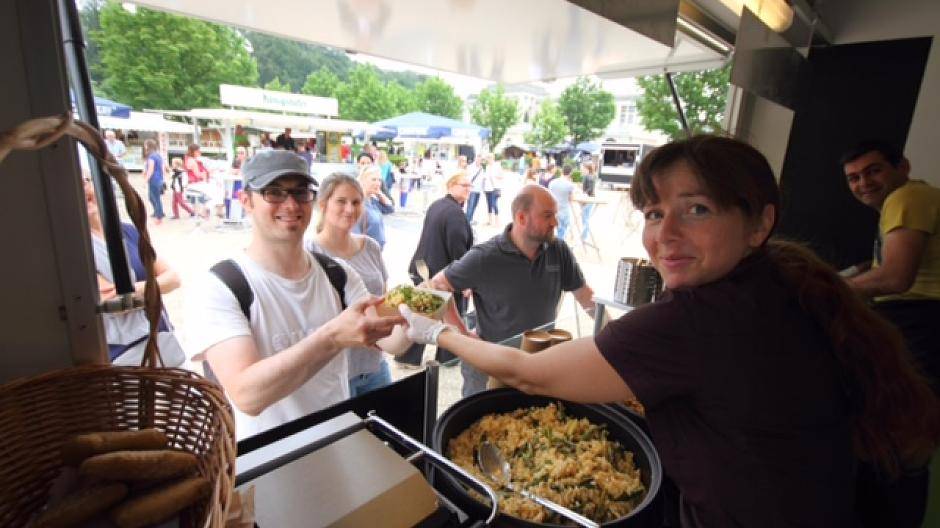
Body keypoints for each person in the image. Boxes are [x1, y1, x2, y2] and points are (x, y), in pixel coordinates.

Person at [401, 135, 940, 527]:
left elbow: (530, 375)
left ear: (759, 223)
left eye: (697, 209)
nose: (666, 235)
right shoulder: (780, 279)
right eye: (655, 213)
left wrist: (433, 333)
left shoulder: (701, 317)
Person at [185, 150, 409, 440]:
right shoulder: (221, 285)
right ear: (246, 201)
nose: (290, 205)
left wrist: (415, 315)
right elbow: (246, 395)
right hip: (268, 455)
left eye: (300, 192)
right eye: (274, 192)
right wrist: (331, 337)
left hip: (336, 439)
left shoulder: (337, 274)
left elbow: (392, 342)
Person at [425, 184, 595, 396]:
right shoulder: (485, 256)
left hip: (539, 363)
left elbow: (584, 295)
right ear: (521, 218)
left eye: (555, 214)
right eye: (547, 215)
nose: (555, 222)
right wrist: (462, 334)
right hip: (491, 366)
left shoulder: (558, 251)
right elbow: (437, 285)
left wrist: (613, 330)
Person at [841, 140, 940, 392]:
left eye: (874, 171)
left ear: (902, 167)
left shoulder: (905, 197)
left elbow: (895, 277)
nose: (864, 183)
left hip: (920, 319)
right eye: (854, 178)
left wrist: (829, 288)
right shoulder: (917, 197)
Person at [306, 173, 394, 396]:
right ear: (323, 204)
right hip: (334, 373)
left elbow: (384, 299)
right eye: (341, 201)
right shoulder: (308, 252)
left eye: (356, 202)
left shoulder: (370, 247)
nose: (349, 209)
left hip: (375, 366)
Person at [83, 175, 184, 368]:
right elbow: (114, 301)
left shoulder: (128, 231)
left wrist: (137, 290)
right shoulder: (75, 247)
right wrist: (153, 287)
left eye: (86, 180)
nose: (83, 187)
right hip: (122, 353)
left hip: (161, 338)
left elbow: (173, 278)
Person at [397, 171, 475, 368]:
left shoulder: (438, 205)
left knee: (423, 314)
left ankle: (409, 358)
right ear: (451, 186)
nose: (468, 189)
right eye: (464, 185)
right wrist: (464, 280)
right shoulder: (454, 213)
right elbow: (457, 247)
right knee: (449, 314)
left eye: (470, 185)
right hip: (441, 273)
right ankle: (448, 357)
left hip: (425, 267)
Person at [353, 165, 394, 249]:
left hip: (375, 252)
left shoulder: (372, 201)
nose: (378, 183)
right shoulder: (357, 204)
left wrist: (379, 193)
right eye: (374, 179)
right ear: (362, 181)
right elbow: (354, 239)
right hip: (366, 253)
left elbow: (389, 208)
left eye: (379, 180)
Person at [548, 165, 575, 241]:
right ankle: (559, 246)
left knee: (552, 231)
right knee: (562, 233)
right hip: (564, 211)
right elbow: (571, 199)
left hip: (553, 210)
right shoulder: (569, 185)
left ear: (562, 171)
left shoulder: (552, 182)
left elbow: (549, 195)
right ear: (570, 173)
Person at [142, 139, 165, 225]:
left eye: (145, 145)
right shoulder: (158, 155)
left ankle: (159, 216)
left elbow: (150, 169)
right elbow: (162, 167)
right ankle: (157, 212)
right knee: (151, 197)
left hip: (154, 179)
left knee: (155, 198)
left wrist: (145, 180)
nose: (145, 147)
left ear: (148, 146)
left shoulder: (151, 157)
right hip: (158, 178)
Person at [580, 160, 598, 242]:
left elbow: (589, 189)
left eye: (583, 168)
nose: (582, 169)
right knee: (585, 217)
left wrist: (584, 195)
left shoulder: (588, 176)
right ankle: (584, 236)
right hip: (590, 198)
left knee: (585, 218)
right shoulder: (592, 176)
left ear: (587, 168)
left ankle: (584, 236)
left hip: (588, 199)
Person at [482, 153, 502, 226]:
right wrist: (483, 187)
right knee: (489, 204)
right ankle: (490, 221)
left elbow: (501, 176)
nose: (489, 159)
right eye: (488, 158)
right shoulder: (487, 167)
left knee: (494, 204)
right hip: (487, 188)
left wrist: (494, 176)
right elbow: (485, 177)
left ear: (493, 158)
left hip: (494, 187)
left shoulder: (497, 166)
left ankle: (497, 221)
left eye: (490, 157)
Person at [465, 156, 485, 223]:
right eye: (478, 159)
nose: (479, 161)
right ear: (476, 159)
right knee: (470, 206)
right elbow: (467, 177)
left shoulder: (482, 168)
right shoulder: (470, 167)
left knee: (474, 205)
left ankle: (470, 219)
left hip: (478, 190)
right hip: (472, 190)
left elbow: (483, 178)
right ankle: (467, 221)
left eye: (481, 160)